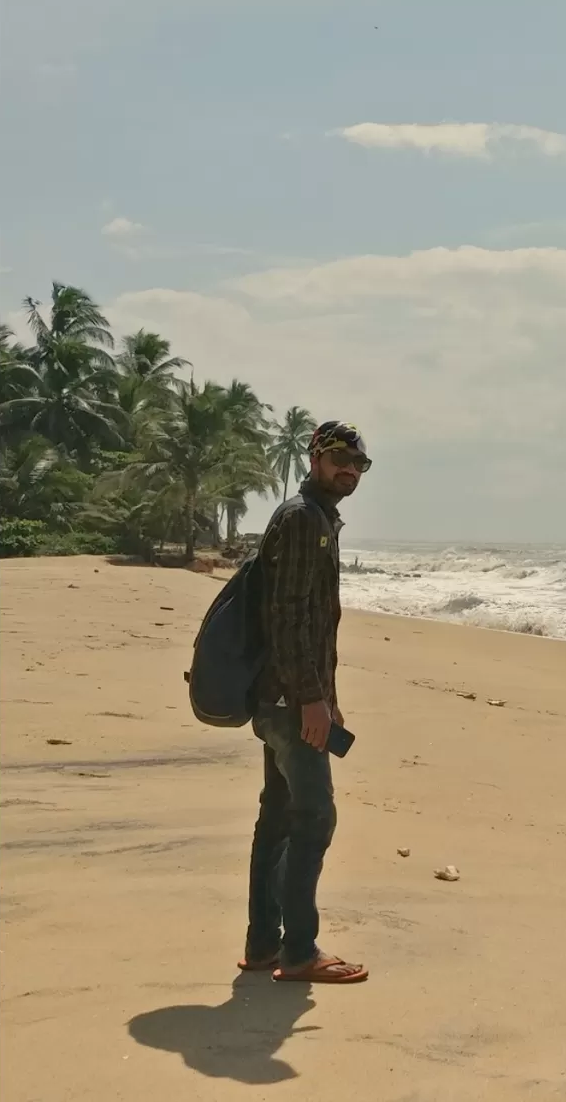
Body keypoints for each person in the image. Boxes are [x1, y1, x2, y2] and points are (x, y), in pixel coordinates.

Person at [238, 420, 372, 985]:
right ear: (315, 456)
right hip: (291, 700)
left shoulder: (317, 519)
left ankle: (264, 944)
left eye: (359, 464)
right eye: (340, 458)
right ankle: (299, 952)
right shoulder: (302, 520)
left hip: (286, 695)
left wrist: (328, 699)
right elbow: (288, 617)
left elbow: (311, 623)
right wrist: (311, 699)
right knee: (313, 818)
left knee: (278, 818)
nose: (349, 470)